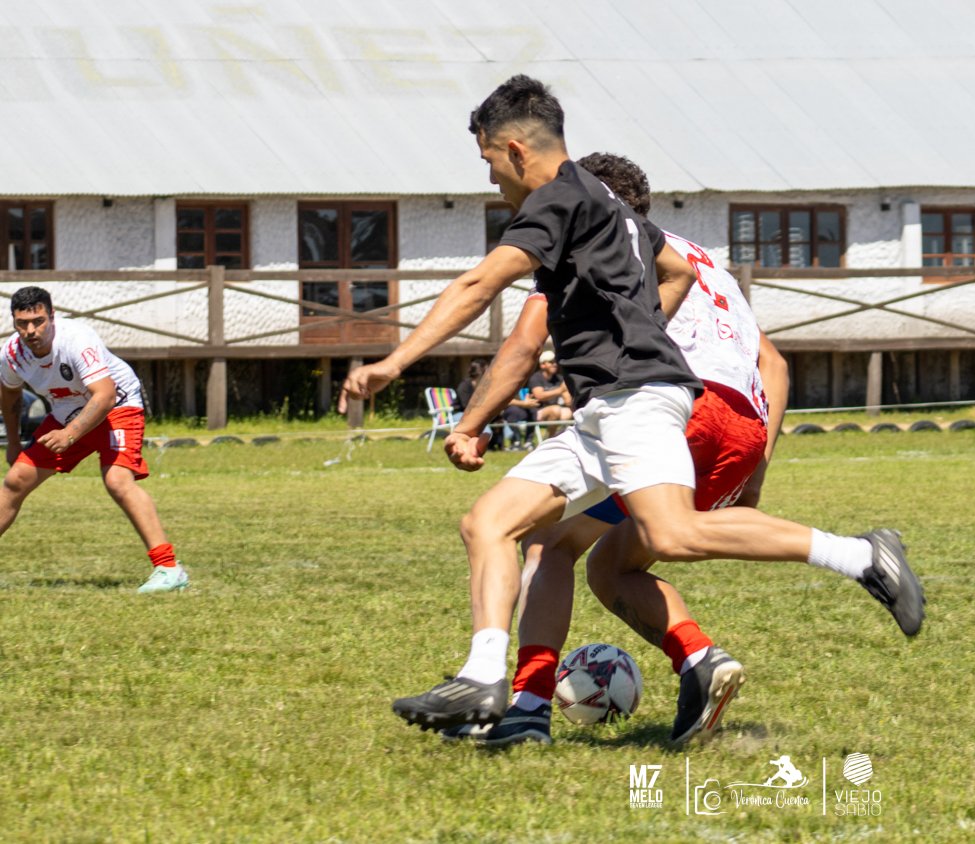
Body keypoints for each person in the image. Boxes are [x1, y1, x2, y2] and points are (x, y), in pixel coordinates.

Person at [339, 76, 923, 742]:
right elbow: (679, 272)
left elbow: (479, 285)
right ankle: (487, 681)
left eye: (490, 161)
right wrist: (635, 326)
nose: (492, 179)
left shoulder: (557, 200)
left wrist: (391, 363)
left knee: (671, 535)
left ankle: (861, 556)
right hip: (610, 408)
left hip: (638, 398)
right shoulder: (611, 206)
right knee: (489, 523)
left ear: (516, 150)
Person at [438, 151, 791, 746]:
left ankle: (527, 707)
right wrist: (754, 471)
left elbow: (524, 345)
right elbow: (773, 364)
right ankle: (700, 659)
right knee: (613, 567)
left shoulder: (594, 246)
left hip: (672, 410)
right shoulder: (702, 260)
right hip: (742, 429)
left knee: (546, 541)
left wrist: (471, 422)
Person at [0, 286, 188, 593]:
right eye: (23, 323)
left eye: (38, 321)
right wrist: (13, 442)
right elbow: (9, 394)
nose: (31, 330)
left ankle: (169, 569)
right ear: (14, 322)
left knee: (117, 481)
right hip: (69, 412)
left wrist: (70, 434)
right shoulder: (12, 354)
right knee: (16, 479)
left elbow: (105, 395)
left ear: (52, 317)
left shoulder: (76, 339)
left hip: (118, 406)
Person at [527, 350, 572, 437]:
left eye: (555, 362)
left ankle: (557, 437)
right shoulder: (536, 378)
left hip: (555, 410)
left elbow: (566, 398)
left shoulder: (559, 378)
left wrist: (571, 402)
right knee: (555, 410)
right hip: (536, 411)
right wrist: (560, 390)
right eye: (551, 362)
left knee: (569, 412)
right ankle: (550, 438)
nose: (554, 364)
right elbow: (539, 396)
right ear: (542, 365)